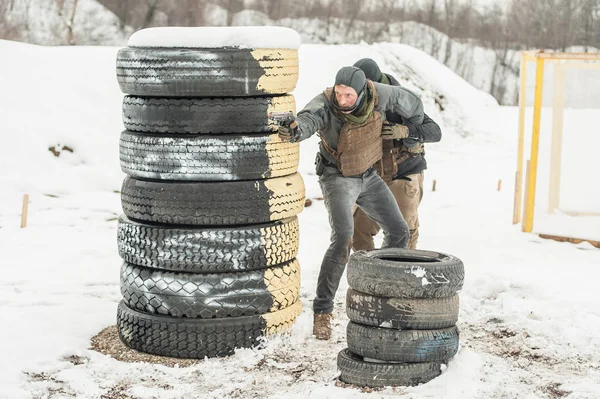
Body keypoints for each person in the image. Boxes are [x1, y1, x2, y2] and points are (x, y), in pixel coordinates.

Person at [277, 66, 424, 340]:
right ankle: (322, 311)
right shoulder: (325, 103)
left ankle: (379, 296)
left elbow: (412, 101)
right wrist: (295, 130)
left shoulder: (379, 94)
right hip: (337, 176)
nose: (342, 100)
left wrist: (413, 128)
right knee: (344, 236)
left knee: (399, 231)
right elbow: (308, 119)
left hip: (368, 174)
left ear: (363, 92)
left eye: (349, 96)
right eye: (339, 94)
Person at [352, 58, 442, 251]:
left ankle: (401, 280)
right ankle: (366, 277)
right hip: (373, 178)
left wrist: (406, 131)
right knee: (357, 229)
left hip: (403, 175)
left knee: (404, 237)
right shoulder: (355, 103)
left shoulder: (401, 101)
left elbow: (435, 132)